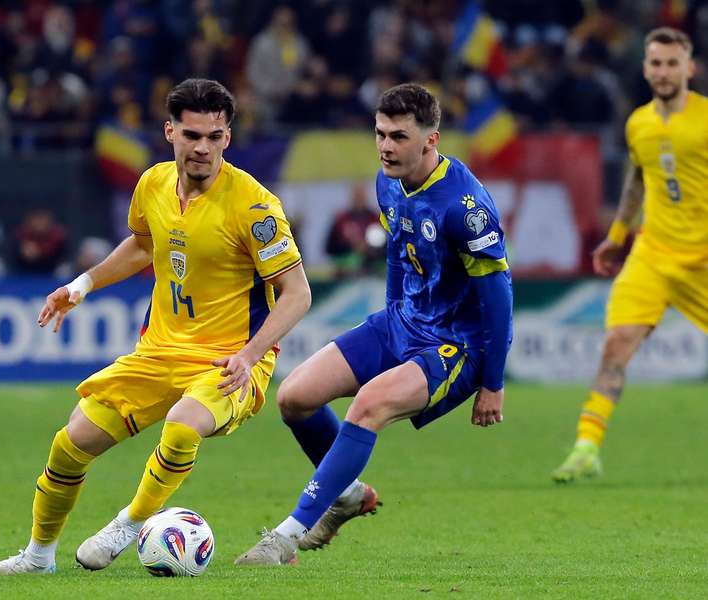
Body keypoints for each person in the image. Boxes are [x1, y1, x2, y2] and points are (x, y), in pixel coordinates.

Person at [0, 78, 311, 575]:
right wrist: (82, 285)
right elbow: (141, 245)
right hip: (158, 352)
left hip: (229, 359)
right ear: (170, 131)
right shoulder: (152, 183)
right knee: (70, 444)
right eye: (192, 135)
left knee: (182, 425)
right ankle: (37, 558)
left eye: (214, 137)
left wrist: (251, 355)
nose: (202, 147)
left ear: (228, 138)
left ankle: (131, 523)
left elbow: (297, 292)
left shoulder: (255, 206)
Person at [234, 83, 513, 566]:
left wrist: (493, 382)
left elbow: (500, 297)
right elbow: (398, 258)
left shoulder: (465, 210)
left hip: (453, 345)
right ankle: (346, 495)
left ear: (432, 140)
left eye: (399, 137)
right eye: (380, 134)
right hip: (401, 322)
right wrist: (390, 317)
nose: (386, 146)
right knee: (294, 397)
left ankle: (285, 538)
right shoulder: (388, 183)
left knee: (368, 406)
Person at [551, 27, 708, 483]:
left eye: (672, 63)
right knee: (617, 344)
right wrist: (618, 234)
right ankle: (585, 448)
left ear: (689, 68)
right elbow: (639, 179)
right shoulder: (637, 122)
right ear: (644, 68)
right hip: (653, 254)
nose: (663, 71)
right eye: (655, 63)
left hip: (702, 260)